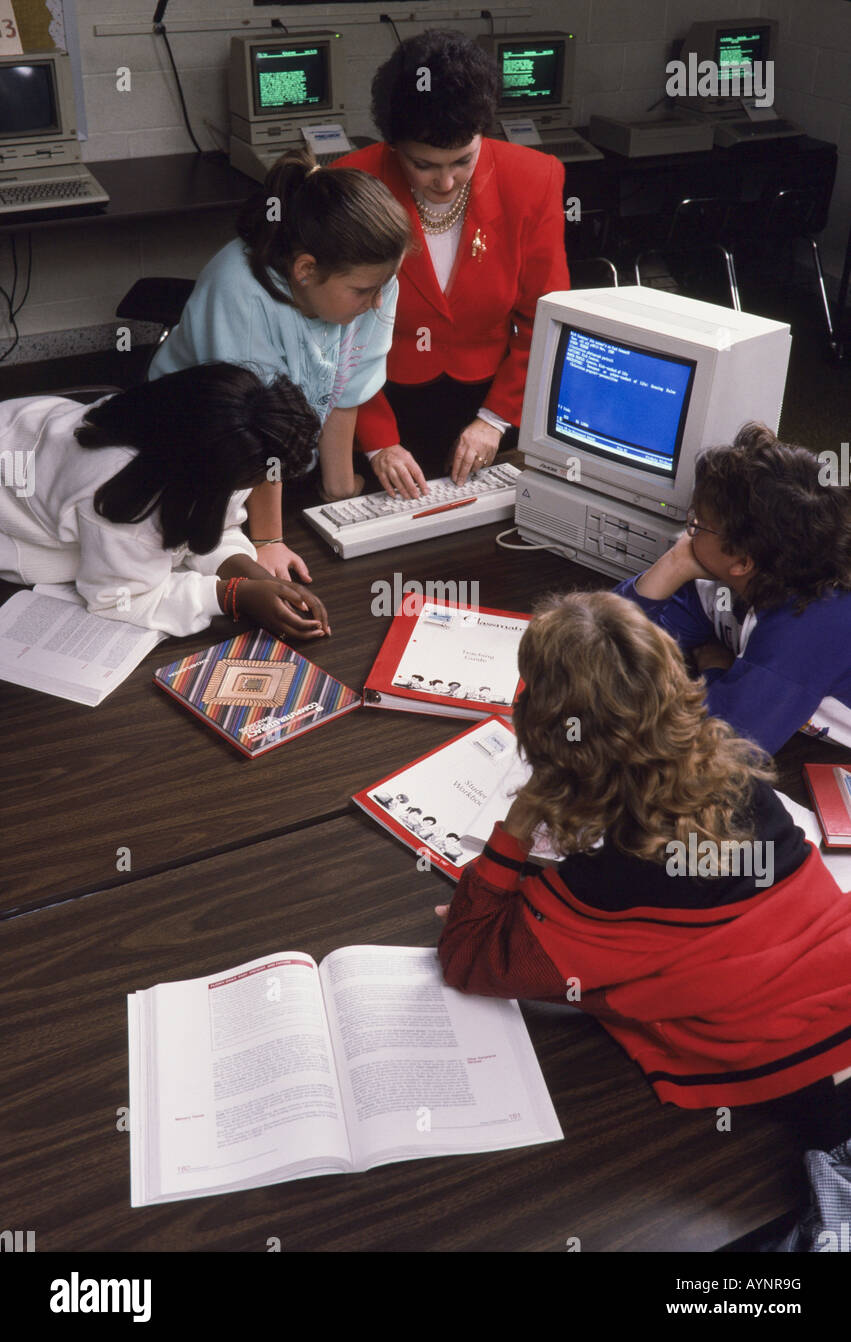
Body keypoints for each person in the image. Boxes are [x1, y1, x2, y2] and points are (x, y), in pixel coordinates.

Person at [436, 592, 851, 1146]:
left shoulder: (610, 877)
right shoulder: (747, 784)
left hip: (817, 1083)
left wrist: (516, 827)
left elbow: (469, 958)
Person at [149, 148, 411, 578]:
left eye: (385, 284)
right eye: (364, 291)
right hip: (193, 453)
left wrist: (340, 491)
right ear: (306, 270)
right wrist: (268, 540)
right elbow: (254, 427)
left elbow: (346, 385)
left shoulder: (372, 282)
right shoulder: (241, 292)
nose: (378, 301)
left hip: (276, 465)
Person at [332, 29, 570, 497]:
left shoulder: (534, 178)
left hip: (493, 402)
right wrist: (379, 443)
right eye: (424, 165)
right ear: (393, 146)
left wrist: (495, 419)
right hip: (376, 399)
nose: (445, 181)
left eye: (463, 160)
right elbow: (335, 333)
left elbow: (547, 319)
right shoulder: (350, 182)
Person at [0, 364, 329, 639]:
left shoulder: (200, 435)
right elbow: (119, 598)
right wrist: (232, 596)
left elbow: (210, 524)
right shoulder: (121, 498)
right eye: (252, 481)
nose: (261, 486)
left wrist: (257, 576)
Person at [614, 423, 851, 753]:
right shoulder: (738, 577)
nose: (687, 536)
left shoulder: (810, 626)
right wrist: (674, 564)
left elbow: (719, 751)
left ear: (741, 562)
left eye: (697, 524)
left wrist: (714, 670)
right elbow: (607, 648)